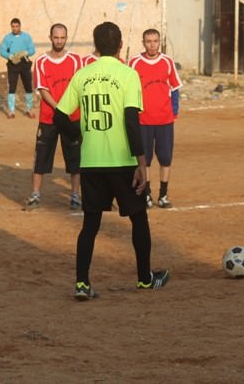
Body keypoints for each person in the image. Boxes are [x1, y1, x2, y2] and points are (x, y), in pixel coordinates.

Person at [54, 21, 170, 301]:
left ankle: (82, 283)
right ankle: (144, 279)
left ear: (95, 46)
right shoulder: (128, 74)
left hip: (91, 162)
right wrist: (141, 163)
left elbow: (59, 116)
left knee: (90, 224)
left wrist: (78, 135)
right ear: (120, 46)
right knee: (138, 218)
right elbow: (132, 121)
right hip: (122, 161)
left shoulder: (82, 75)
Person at [25, 23, 82, 210]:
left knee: (75, 159)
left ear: (66, 38)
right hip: (49, 117)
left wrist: (67, 111)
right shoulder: (41, 62)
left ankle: (75, 195)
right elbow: (42, 89)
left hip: (72, 117)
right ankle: (35, 194)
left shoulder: (75, 61)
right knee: (41, 158)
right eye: (56, 37)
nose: (59, 41)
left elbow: (80, 86)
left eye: (62, 37)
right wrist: (59, 109)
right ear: (50, 38)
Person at [128, 28, 183, 209]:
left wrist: (173, 112)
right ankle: (147, 193)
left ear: (160, 42)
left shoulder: (167, 61)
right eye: (148, 41)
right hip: (143, 120)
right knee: (146, 159)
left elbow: (175, 88)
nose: (152, 45)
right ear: (143, 42)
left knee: (165, 158)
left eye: (155, 41)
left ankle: (163, 194)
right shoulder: (134, 63)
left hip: (164, 121)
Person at [0, 18, 36, 118]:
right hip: (13, 64)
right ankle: (11, 111)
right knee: (12, 87)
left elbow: (32, 50)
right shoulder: (7, 38)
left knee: (28, 86)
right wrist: (10, 56)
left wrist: (26, 52)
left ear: (20, 26)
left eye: (17, 26)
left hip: (24, 63)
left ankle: (29, 109)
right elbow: (1, 51)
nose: (15, 28)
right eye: (13, 26)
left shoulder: (26, 37)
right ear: (11, 27)